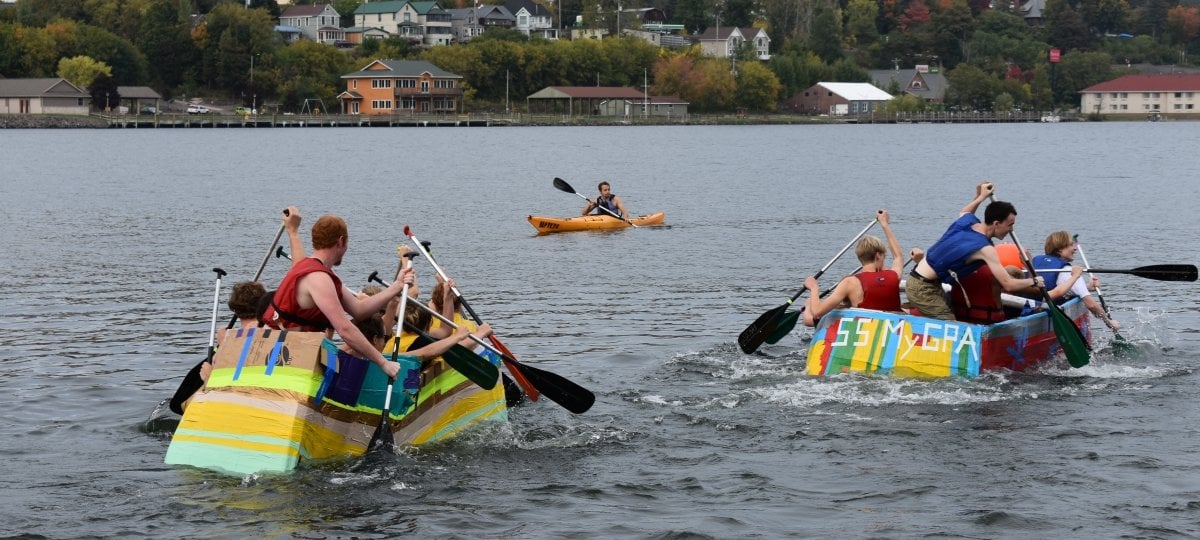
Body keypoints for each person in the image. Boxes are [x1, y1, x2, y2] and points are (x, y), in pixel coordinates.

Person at [262, 213, 468, 380]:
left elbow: (359, 310)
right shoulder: (319, 278)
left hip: (294, 351)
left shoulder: (325, 274)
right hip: (281, 354)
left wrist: (396, 286)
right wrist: (383, 362)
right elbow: (344, 327)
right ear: (341, 241)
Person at [906, 182, 1044, 321]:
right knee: (951, 325)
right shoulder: (985, 248)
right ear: (996, 224)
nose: (1011, 230)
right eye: (1010, 225)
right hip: (922, 287)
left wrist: (980, 197)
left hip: (926, 282)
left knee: (950, 315)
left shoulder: (968, 222)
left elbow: (964, 212)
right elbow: (1008, 284)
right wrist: (1034, 281)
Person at [167, 280, 267, 415]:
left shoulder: (231, 341)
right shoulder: (276, 333)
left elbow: (177, 405)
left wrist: (224, 345)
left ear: (235, 310)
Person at [802, 209, 907, 326]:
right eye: (884, 256)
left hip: (863, 331)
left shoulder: (849, 282)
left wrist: (814, 287)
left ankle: (807, 306)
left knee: (811, 308)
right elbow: (898, 256)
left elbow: (817, 312)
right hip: (891, 329)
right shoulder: (893, 275)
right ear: (878, 255)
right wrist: (885, 224)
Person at [1032, 230, 1120, 331]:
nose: (1075, 248)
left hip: (1033, 308)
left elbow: (1058, 285)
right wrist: (1109, 322)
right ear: (1060, 249)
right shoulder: (1069, 271)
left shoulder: (1036, 261)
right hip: (1048, 313)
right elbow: (1091, 305)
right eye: (1070, 245)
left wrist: (1086, 287)